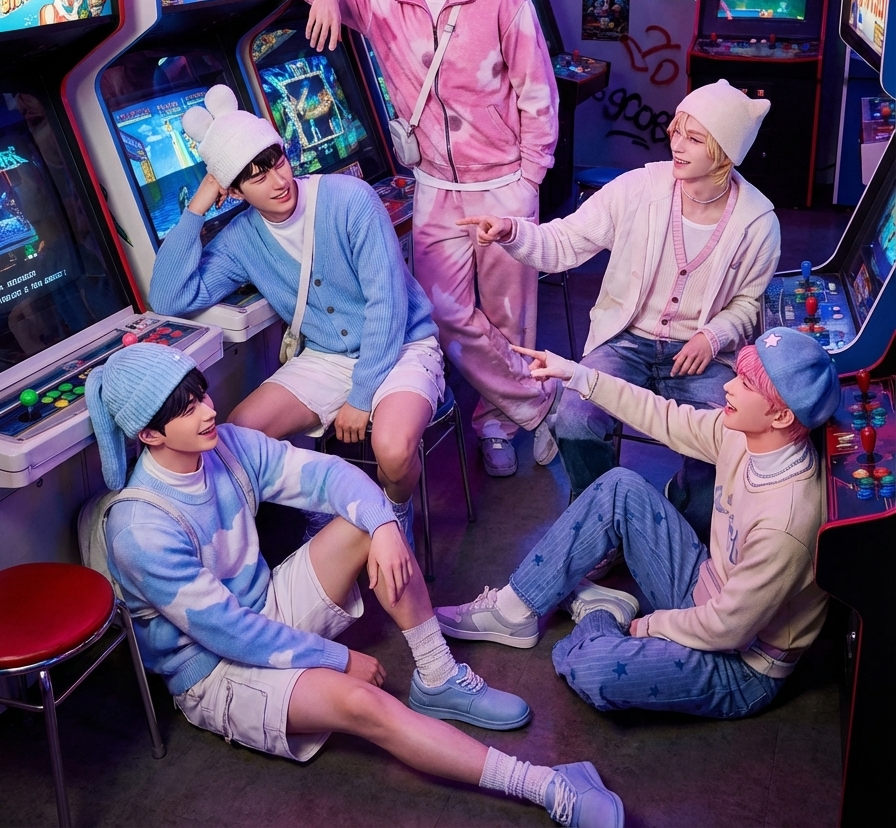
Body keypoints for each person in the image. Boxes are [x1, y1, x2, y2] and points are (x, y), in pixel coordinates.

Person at [89, 342, 623, 828]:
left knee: (366, 523)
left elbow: (330, 476)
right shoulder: (141, 530)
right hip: (214, 669)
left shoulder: (226, 446)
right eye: (187, 410)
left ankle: (437, 675)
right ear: (149, 435)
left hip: (263, 607)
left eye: (202, 395)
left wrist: (385, 525)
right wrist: (338, 659)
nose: (208, 411)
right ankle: (545, 785)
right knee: (365, 706)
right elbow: (231, 635)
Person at [295, 0, 561, 479]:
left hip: (504, 183)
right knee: (443, 314)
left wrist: (529, 178)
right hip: (436, 189)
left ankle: (496, 425)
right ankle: (538, 406)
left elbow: (537, 93)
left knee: (508, 317)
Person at [435, 327, 839, 720]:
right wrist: (580, 376)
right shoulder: (743, 436)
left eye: (746, 384)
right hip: (707, 588)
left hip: (742, 663)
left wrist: (649, 625)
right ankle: (514, 609)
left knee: (591, 670)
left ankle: (603, 615)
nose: (729, 387)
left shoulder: (785, 524)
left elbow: (727, 630)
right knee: (619, 486)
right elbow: (664, 417)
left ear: (781, 415)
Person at [459, 80, 780, 538]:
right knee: (574, 417)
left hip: (699, 355)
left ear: (725, 152)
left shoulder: (757, 222)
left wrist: (713, 336)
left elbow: (750, 302)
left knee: (728, 436)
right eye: (676, 131)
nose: (677, 145)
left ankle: (685, 520)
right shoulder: (638, 189)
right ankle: (599, 522)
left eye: (693, 138)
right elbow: (564, 241)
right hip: (625, 340)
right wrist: (512, 231)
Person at [148, 85, 440, 547]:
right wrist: (199, 202)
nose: (278, 181)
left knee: (392, 450)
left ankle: (393, 516)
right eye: (256, 177)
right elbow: (168, 297)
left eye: (277, 162)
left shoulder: (350, 198)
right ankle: (323, 513)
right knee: (237, 437)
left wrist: (362, 395)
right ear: (234, 190)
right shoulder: (242, 238)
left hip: (402, 344)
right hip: (327, 356)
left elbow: (388, 304)